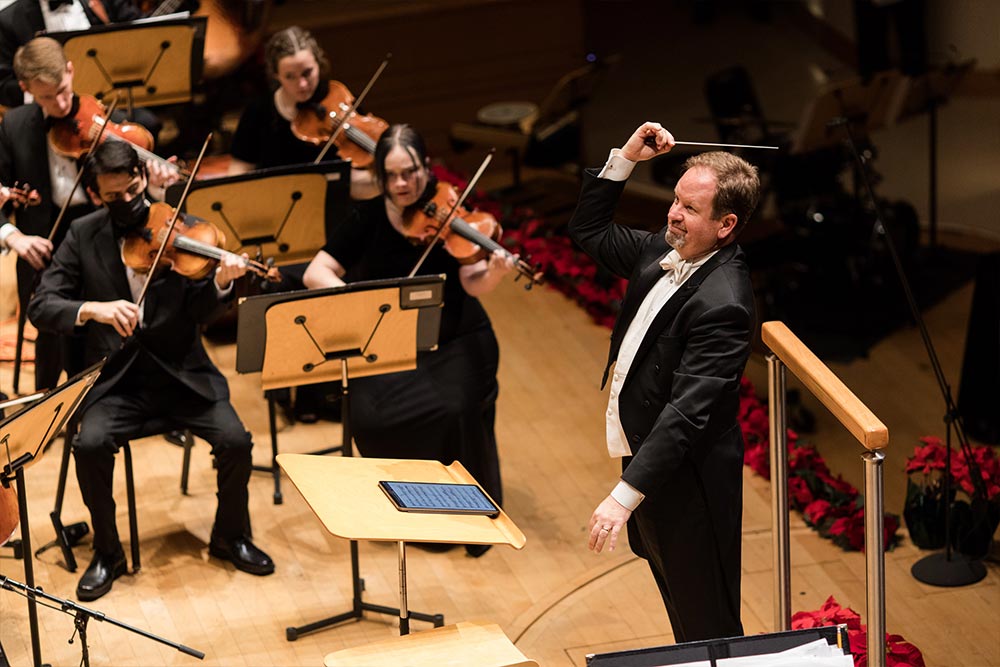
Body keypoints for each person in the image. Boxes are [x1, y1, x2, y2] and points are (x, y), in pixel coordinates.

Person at [27, 140, 274, 602]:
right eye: (115, 197)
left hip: (182, 375)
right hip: (116, 384)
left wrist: (221, 283)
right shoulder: (83, 235)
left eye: (135, 190)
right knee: (90, 444)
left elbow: (198, 311)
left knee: (237, 441)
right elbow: (42, 306)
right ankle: (107, 553)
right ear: (98, 195)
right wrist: (93, 310)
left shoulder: (183, 230)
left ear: (144, 176)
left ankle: (230, 535)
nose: (129, 204)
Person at [571, 121, 760, 642]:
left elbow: (686, 413)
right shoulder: (666, 249)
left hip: (688, 480)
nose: (673, 214)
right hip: (648, 457)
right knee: (677, 602)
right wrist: (626, 159)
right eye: (675, 200)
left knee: (707, 621)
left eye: (690, 209)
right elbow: (589, 232)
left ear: (726, 225)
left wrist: (623, 495)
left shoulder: (725, 304)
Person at [303, 124, 513, 556]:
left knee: (455, 408)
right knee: (369, 419)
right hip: (389, 346)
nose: (403, 184)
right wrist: (360, 304)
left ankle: (467, 513)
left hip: (455, 340)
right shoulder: (366, 217)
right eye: (393, 175)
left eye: (411, 173)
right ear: (380, 175)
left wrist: (492, 270)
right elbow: (315, 272)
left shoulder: (449, 206)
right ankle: (413, 511)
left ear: (425, 167)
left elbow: (471, 282)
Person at [0, 36, 176, 391]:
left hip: (106, 233)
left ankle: (138, 393)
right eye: (47, 97)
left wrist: (157, 181)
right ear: (26, 88)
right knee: (48, 314)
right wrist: (13, 236)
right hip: (44, 240)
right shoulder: (14, 126)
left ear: (70, 70)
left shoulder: (101, 116)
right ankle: (47, 399)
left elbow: (138, 181)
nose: (61, 104)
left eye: (64, 90)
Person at [228, 25, 378, 200]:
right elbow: (238, 172)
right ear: (276, 75)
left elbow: (363, 179)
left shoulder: (340, 101)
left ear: (318, 64)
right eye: (290, 76)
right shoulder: (258, 112)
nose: (302, 85)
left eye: (307, 73)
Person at [0, 0, 143, 107]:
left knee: (148, 124)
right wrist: (43, 94)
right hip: (51, 108)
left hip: (114, 97)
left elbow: (142, 30)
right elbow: (3, 85)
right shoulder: (8, 21)